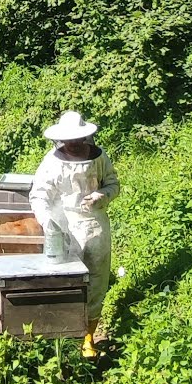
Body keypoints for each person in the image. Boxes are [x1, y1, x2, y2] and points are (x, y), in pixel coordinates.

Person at [29, 111, 120, 358]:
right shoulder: (52, 162)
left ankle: (88, 337)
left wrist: (102, 195)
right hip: (65, 226)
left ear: (85, 137)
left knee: (97, 281)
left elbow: (113, 184)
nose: (74, 144)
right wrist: (48, 221)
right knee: (67, 281)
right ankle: (65, 335)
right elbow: (39, 195)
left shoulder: (99, 157)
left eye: (77, 139)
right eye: (69, 140)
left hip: (96, 225)